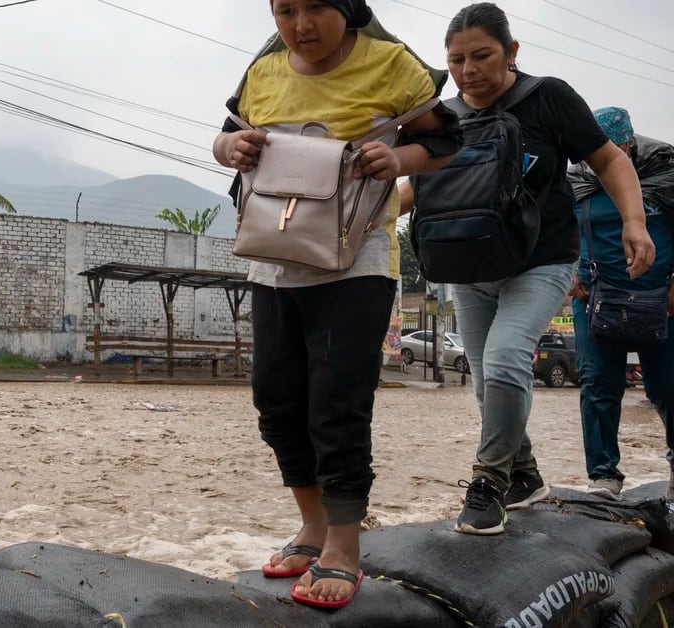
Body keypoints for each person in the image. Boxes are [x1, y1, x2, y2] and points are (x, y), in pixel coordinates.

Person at [213, 0, 462, 608]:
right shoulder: (265, 69)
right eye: (286, 9)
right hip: (273, 260)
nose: (301, 25)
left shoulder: (391, 64)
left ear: (348, 7)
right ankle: (313, 525)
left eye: (318, 6)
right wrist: (232, 150)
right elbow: (224, 139)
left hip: (357, 262)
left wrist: (399, 159)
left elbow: (447, 140)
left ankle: (344, 546)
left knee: (337, 404)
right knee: (276, 400)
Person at [400, 2, 656, 535]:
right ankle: (525, 476)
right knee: (482, 382)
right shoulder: (443, 118)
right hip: (466, 264)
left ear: (512, 51)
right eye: (456, 60)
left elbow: (608, 159)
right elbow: (411, 188)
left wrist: (635, 221)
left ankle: (488, 484)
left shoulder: (549, 99)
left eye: (481, 56)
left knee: (505, 359)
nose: (468, 70)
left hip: (542, 259)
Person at [568, 107, 674, 500]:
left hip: (661, 300)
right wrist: (569, 272)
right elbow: (555, 230)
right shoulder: (577, 183)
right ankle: (603, 476)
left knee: (667, 387)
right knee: (598, 384)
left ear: (628, 143)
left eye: (611, 148)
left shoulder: (665, 177)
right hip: (595, 298)